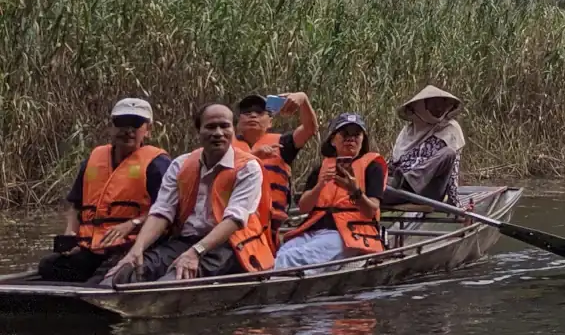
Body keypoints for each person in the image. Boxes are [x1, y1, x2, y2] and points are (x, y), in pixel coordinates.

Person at [106, 103, 272, 281]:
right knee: (125, 272)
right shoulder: (180, 164)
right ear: (199, 130)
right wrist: (136, 249)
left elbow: (234, 219)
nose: (218, 133)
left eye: (224, 126)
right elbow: (161, 212)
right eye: (210, 127)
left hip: (231, 245)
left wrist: (195, 252)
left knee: (175, 277)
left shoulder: (248, 168)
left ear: (233, 129)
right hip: (185, 241)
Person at [36, 97, 172, 283]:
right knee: (48, 266)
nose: (128, 130)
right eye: (121, 123)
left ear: (147, 129)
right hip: (93, 247)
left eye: (136, 124)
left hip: (132, 247)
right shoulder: (94, 159)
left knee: (105, 282)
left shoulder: (157, 164)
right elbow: (76, 205)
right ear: (111, 126)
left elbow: (167, 211)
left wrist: (132, 223)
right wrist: (71, 236)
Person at [272, 114, 386, 269]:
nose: (350, 138)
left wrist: (354, 190)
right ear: (333, 140)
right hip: (314, 229)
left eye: (356, 134)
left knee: (290, 258)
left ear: (362, 140)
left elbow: (371, 210)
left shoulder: (372, 168)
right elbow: (304, 207)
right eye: (344, 133)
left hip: (350, 233)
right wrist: (320, 185)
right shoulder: (322, 168)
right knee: (282, 253)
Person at [236, 91, 318, 252]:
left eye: (259, 112)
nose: (253, 115)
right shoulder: (225, 147)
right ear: (238, 123)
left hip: (269, 224)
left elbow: (310, 128)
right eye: (246, 113)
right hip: (235, 219)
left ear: (270, 122)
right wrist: (253, 157)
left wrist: (303, 98)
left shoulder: (282, 144)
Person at [388, 85, 464, 204]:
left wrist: (454, 201)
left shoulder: (450, 128)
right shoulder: (409, 130)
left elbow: (453, 170)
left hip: (429, 191)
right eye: (433, 104)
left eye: (441, 103)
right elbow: (395, 163)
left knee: (448, 153)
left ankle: (409, 181)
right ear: (420, 107)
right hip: (401, 187)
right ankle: (403, 185)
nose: (438, 108)